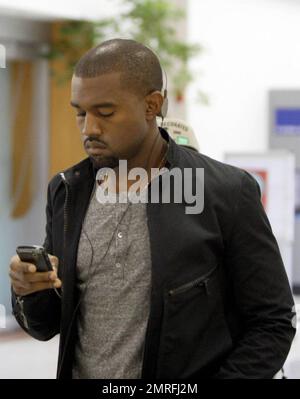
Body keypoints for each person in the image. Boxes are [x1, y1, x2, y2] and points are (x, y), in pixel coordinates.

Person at [9, 38, 296, 379]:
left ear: (152, 105)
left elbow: (272, 322)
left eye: (105, 113)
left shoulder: (224, 191)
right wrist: (29, 291)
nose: (89, 129)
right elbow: (46, 326)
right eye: (80, 113)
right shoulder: (67, 190)